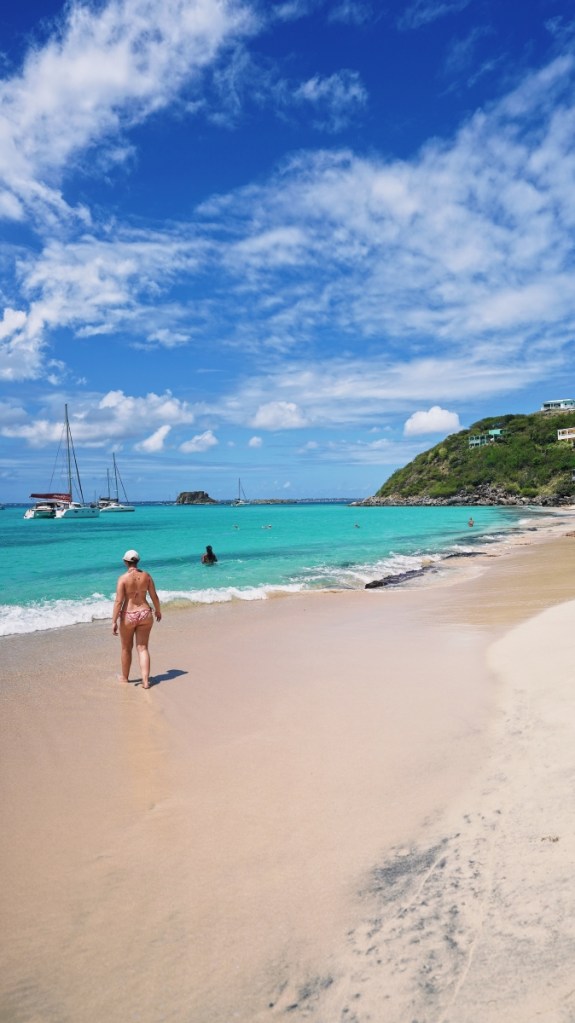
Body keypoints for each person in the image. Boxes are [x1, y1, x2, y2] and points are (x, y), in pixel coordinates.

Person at [112, 549, 161, 689]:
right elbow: (154, 596)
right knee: (143, 648)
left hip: (129, 615)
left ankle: (125, 678)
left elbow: (118, 602)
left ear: (125, 562)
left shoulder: (122, 579)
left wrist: (114, 621)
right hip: (145, 613)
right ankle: (146, 681)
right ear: (138, 561)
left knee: (126, 648)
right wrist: (158, 611)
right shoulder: (147, 576)